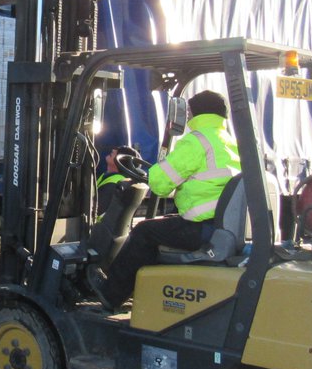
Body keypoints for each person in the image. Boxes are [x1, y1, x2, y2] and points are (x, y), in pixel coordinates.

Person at [87, 90, 240, 311]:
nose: (187, 117)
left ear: (195, 113)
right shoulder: (229, 142)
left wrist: (157, 171)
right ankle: (138, 290)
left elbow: (159, 184)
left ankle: (111, 294)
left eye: (188, 112)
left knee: (144, 231)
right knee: (163, 224)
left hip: (203, 228)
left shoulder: (197, 141)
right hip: (221, 225)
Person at [95, 144, 139, 215]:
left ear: (122, 161)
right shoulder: (108, 175)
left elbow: (97, 209)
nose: (114, 150)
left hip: (97, 224)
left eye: (119, 151)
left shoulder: (114, 183)